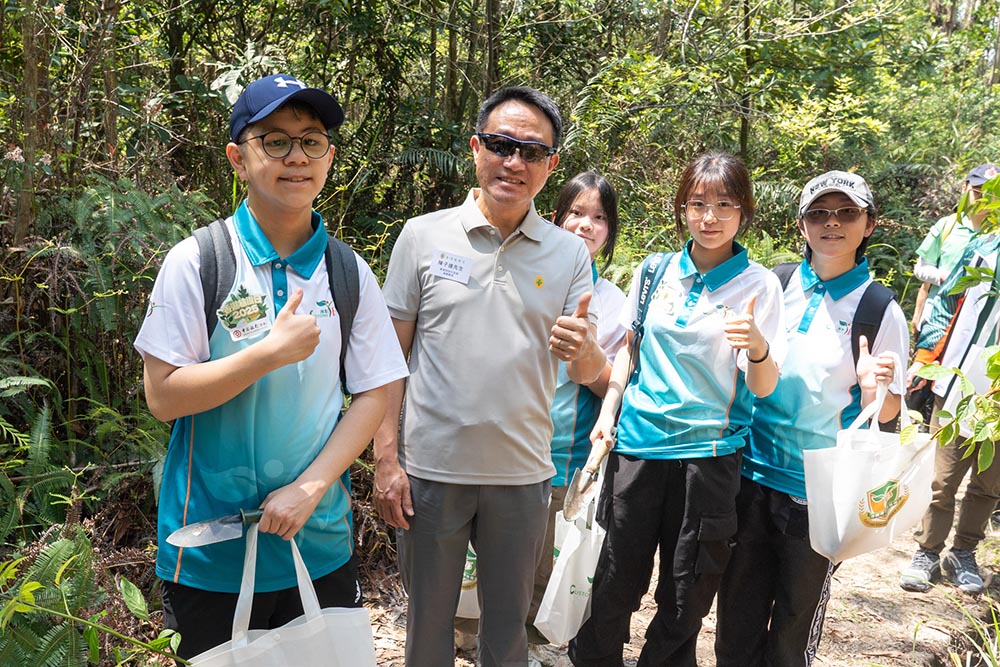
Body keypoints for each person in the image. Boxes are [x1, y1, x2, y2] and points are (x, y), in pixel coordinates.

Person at [133, 73, 408, 659]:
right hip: (209, 547)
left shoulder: (347, 272)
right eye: (275, 141)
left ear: (329, 157)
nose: (296, 158)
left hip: (319, 539)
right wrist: (266, 354)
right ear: (238, 157)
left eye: (311, 141)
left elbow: (372, 395)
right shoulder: (199, 261)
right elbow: (162, 396)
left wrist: (310, 489)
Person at [374, 87, 608, 667]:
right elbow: (386, 362)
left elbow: (589, 368)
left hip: (524, 477)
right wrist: (386, 460)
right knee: (427, 630)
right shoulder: (422, 236)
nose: (514, 162)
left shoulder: (567, 254)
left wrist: (583, 351)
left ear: (551, 166)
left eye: (532, 151)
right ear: (476, 148)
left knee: (507, 637)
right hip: (430, 472)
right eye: (502, 145)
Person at [569, 151, 786, 667]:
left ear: (744, 212)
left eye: (724, 204)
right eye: (697, 203)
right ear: (682, 208)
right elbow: (629, 350)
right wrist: (609, 413)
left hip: (708, 459)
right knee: (613, 581)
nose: (710, 217)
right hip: (637, 449)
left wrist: (756, 345)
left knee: (688, 591)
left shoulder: (759, 284)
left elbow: (764, 384)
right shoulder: (653, 271)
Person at [715, 171, 908, 667]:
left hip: (817, 491)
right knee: (735, 613)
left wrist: (875, 390)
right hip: (748, 472)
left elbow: (889, 413)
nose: (832, 223)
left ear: (869, 224)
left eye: (847, 213)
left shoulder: (879, 308)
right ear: (802, 224)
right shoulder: (773, 283)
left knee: (793, 626)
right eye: (819, 213)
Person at [900, 166, 1000, 596]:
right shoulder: (978, 245)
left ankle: (964, 552)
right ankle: (928, 549)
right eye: (981, 192)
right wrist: (926, 357)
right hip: (961, 374)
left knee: (989, 481)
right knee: (944, 474)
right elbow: (945, 300)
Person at [906, 164, 997, 425]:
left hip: (975, 329)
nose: (984, 199)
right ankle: (913, 430)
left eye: (992, 194)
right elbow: (921, 268)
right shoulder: (948, 226)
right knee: (921, 386)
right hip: (939, 318)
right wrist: (947, 279)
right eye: (978, 191)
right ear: (965, 189)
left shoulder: (994, 235)